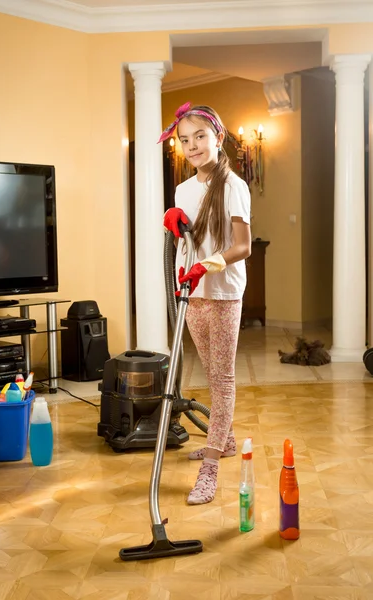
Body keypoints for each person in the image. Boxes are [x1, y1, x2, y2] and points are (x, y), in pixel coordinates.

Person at [159, 102, 251, 505]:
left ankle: (210, 467)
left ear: (218, 136)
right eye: (184, 140)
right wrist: (174, 220)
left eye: (200, 136)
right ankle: (224, 440)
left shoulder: (234, 186)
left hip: (224, 290)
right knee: (209, 370)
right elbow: (187, 239)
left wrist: (207, 266)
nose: (192, 145)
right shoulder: (183, 188)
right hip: (190, 291)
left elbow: (242, 246)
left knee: (222, 377)